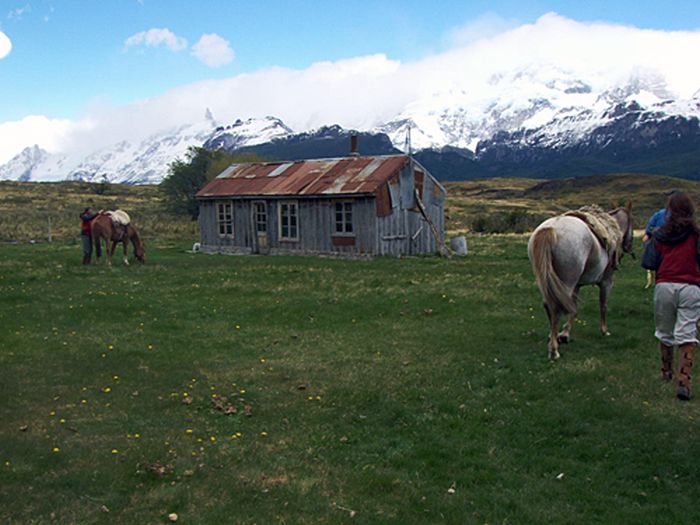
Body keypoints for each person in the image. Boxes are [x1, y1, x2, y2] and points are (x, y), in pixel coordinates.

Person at [642, 191, 700, 400]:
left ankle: (666, 372)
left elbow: (648, 261)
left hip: (664, 285)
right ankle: (683, 381)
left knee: (664, 332)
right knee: (687, 334)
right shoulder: (696, 234)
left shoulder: (659, 234)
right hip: (691, 287)